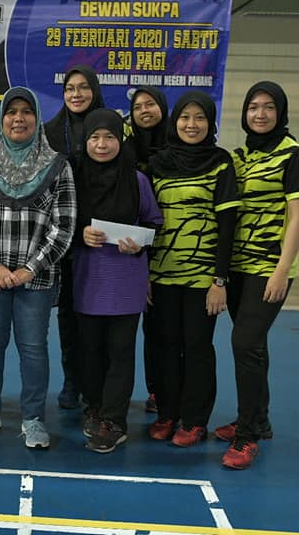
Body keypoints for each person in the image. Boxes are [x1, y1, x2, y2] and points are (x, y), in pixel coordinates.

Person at [0, 86, 76, 449]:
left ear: (37, 119)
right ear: (1, 118)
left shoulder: (58, 165)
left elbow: (64, 226)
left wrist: (30, 268)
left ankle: (33, 419)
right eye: (11, 112)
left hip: (36, 279)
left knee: (33, 348)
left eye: (27, 112)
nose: (19, 118)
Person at [216, 81, 299, 470]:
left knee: (244, 343)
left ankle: (247, 437)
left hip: (268, 268)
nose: (260, 114)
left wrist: (281, 271)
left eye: (269, 107)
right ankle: (258, 419)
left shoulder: (295, 156)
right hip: (237, 267)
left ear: (281, 112)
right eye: (253, 107)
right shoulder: (239, 157)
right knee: (253, 346)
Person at [146, 91, 241, 448]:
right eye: (185, 117)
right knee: (165, 346)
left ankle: (195, 420)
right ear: (175, 122)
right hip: (162, 273)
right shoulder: (157, 164)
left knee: (197, 347)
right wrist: (145, 274)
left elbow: (228, 227)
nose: (191, 124)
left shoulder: (221, 163)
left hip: (203, 277)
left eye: (200, 117)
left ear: (210, 123)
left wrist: (220, 281)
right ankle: (167, 413)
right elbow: (148, 221)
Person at [73, 108, 163, 453]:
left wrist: (139, 243)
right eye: (95, 137)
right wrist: (81, 233)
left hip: (125, 280)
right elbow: (61, 221)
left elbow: (154, 223)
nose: (101, 144)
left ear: (120, 140)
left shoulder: (137, 180)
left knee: (121, 352)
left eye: (109, 137)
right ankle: (94, 409)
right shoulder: (75, 178)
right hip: (88, 278)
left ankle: (114, 420)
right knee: (90, 351)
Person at [43, 65, 105, 409]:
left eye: (83, 87)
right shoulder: (50, 132)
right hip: (64, 238)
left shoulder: (109, 128)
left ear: (94, 90)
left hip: (103, 239)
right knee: (67, 313)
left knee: (98, 315)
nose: (76, 94)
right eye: (70, 88)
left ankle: (98, 382)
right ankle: (72, 380)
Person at [126, 85, 170, 415]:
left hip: (170, 251)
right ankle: (153, 389)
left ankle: (166, 391)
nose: (144, 110)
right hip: (131, 250)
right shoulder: (125, 151)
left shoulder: (178, 149)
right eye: (138, 106)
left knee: (164, 329)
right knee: (138, 329)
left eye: (150, 104)